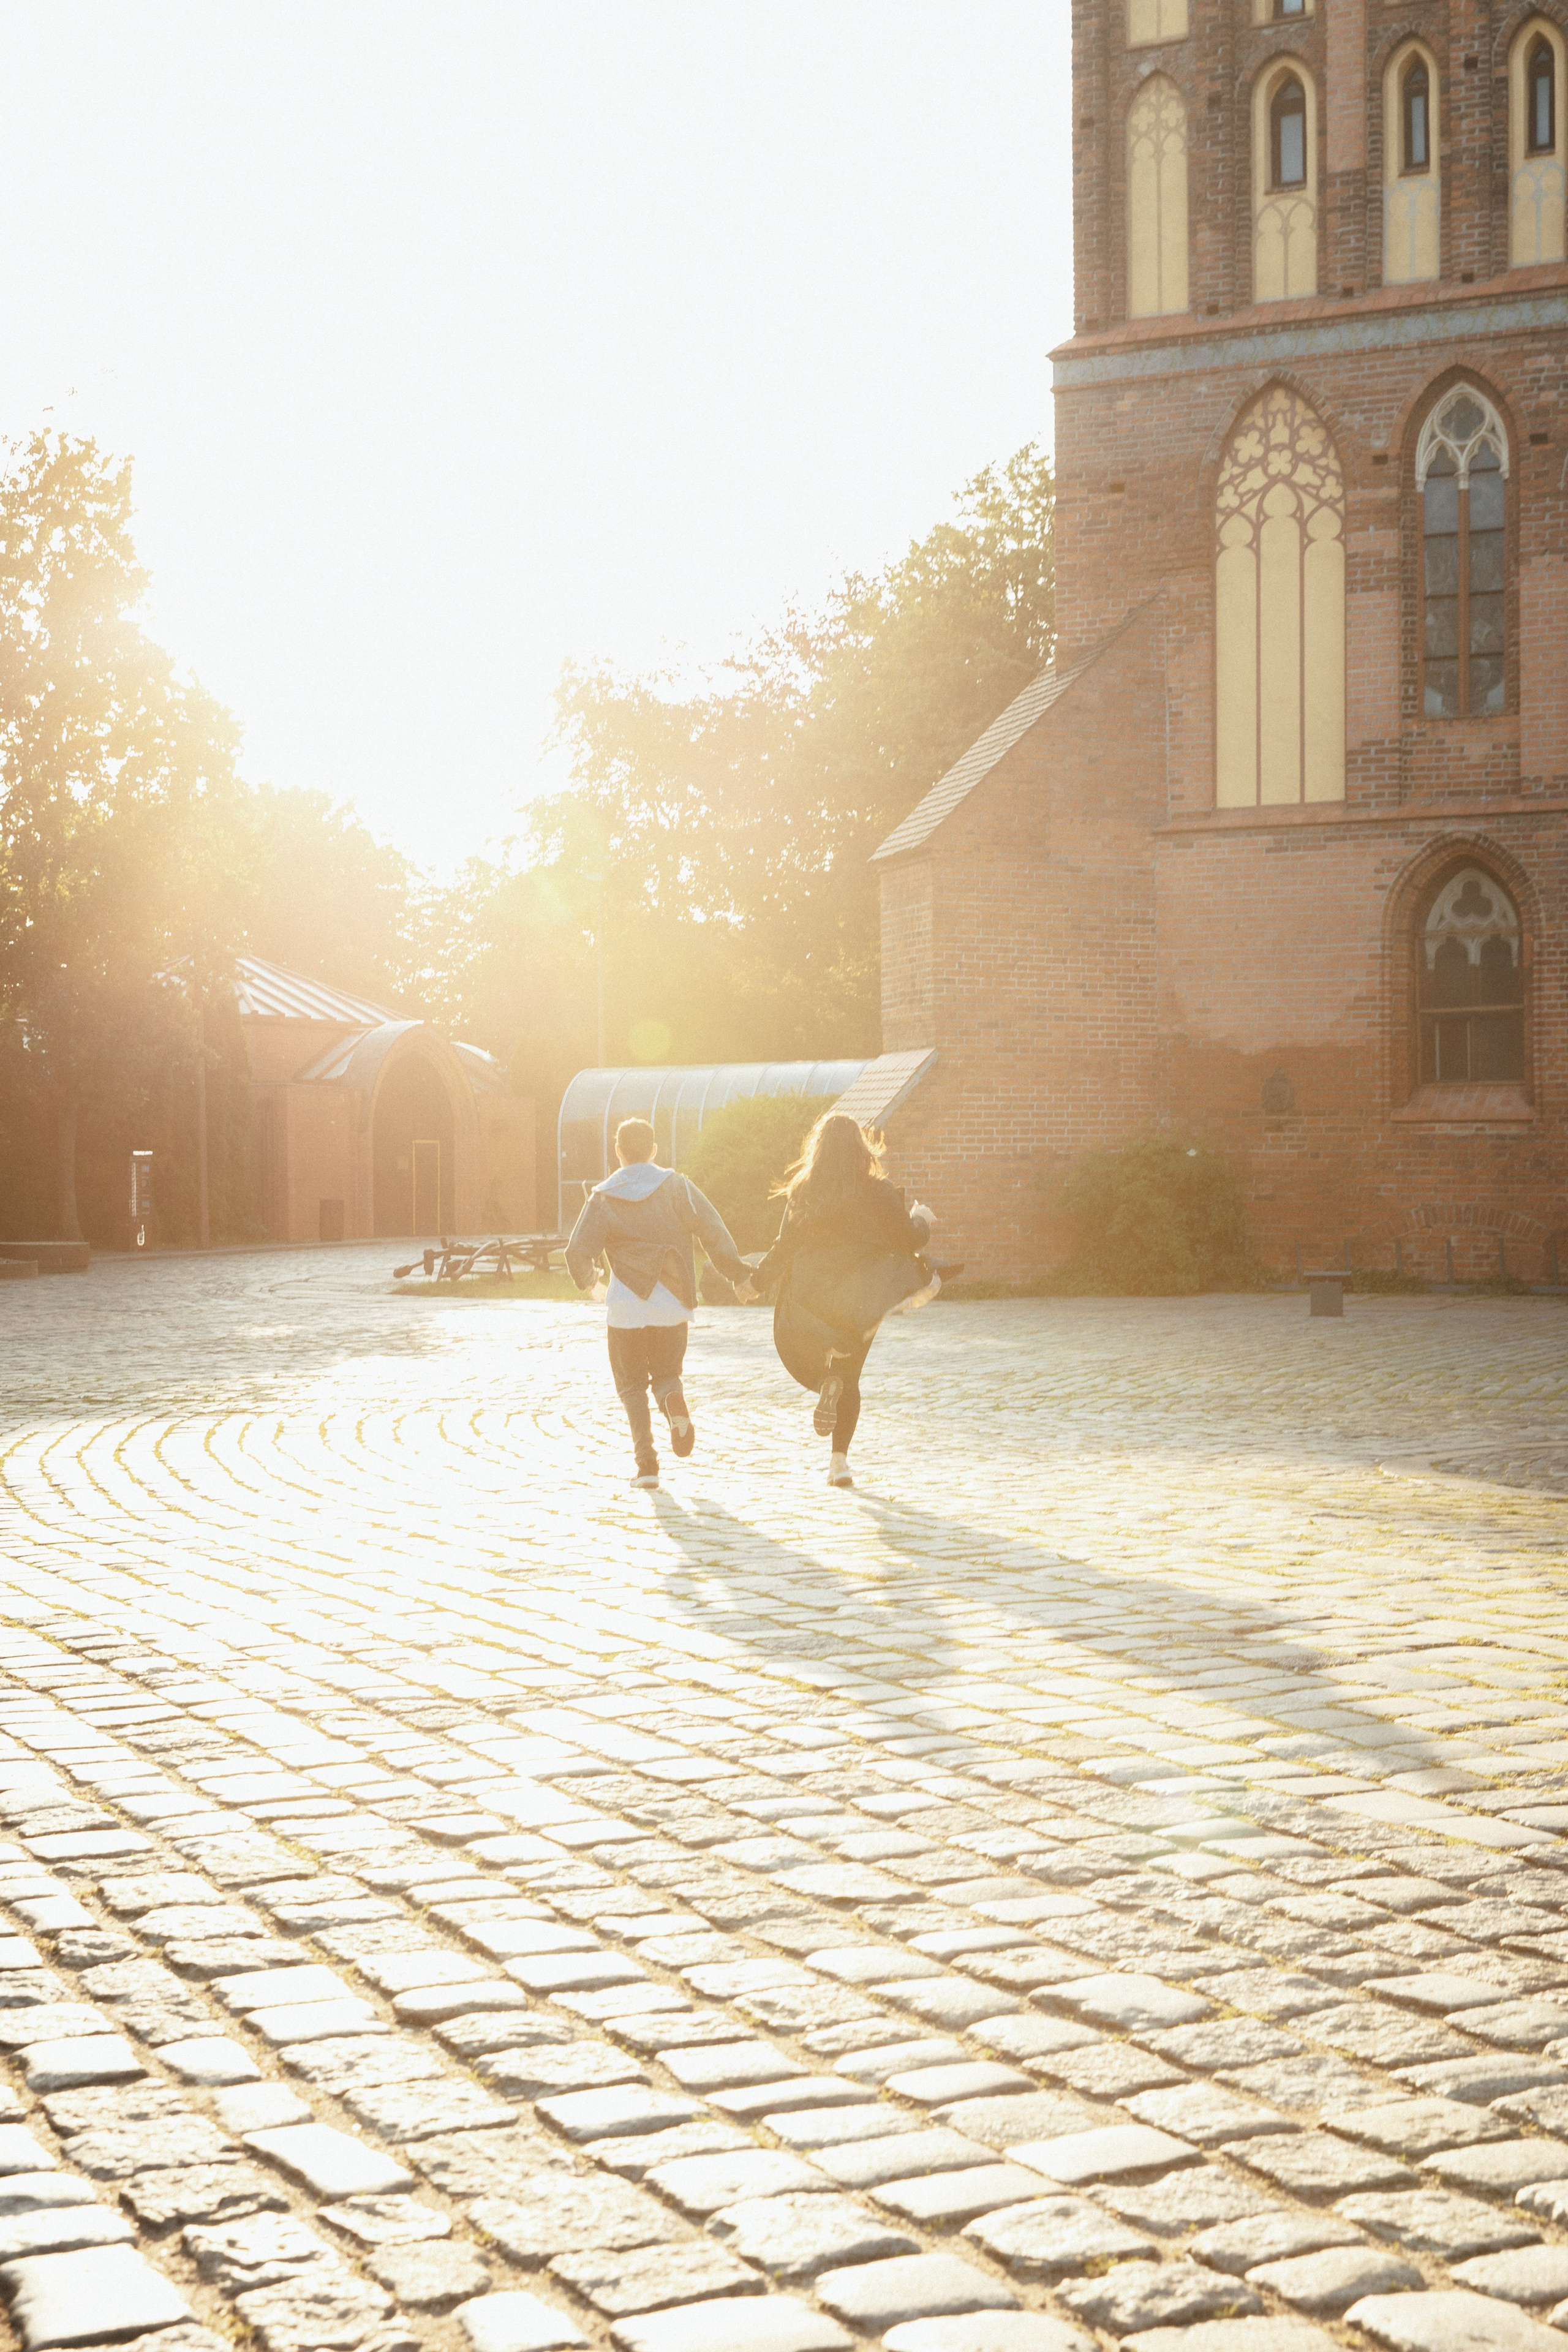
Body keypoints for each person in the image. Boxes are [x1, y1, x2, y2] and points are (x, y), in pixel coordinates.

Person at [565, 1117, 753, 1489]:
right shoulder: (678, 1187)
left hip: (626, 1306)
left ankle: (647, 1466)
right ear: (654, 1150)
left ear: (618, 1152)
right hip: (672, 1304)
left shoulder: (603, 1196)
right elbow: (712, 1231)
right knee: (667, 1375)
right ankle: (672, 1401)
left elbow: (576, 1251)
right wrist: (737, 1274)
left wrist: (593, 1286)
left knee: (631, 1385)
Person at [754, 1110, 938, 1488]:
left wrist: (756, 1282)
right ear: (861, 1147)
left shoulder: (803, 1190)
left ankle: (824, 1381)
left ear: (817, 1149)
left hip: (810, 1294)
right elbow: (908, 1239)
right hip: (860, 1296)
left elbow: (784, 1245)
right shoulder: (877, 1190)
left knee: (801, 1351)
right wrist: (922, 1218)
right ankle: (839, 1463)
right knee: (850, 1374)